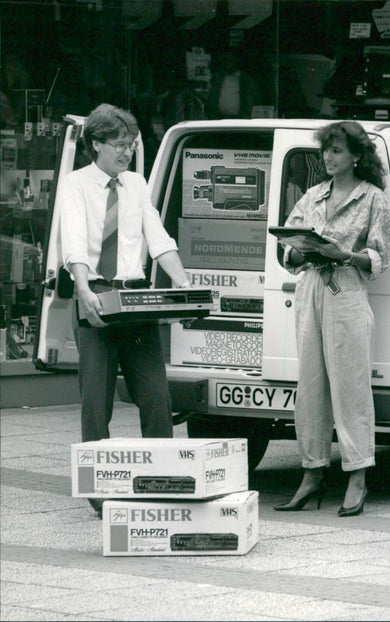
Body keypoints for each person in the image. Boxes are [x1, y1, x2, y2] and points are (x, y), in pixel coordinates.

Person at [57, 103, 191, 515]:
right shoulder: (75, 184)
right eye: (118, 145)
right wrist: (82, 288)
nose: (126, 152)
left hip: (135, 299)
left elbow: (158, 236)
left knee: (155, 395)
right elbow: (74, 241)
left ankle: (162, 478)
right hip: (96, 294)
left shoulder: (135, 184)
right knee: (96, 401)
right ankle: (100, 492)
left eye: (131, 145)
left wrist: (184, 282)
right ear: (95, 144)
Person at [274, 120, 390, 517]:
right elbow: (285, 245)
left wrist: (346, 255)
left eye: (338, 150)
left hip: (346, 290)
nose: (329, 156)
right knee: (309, 385)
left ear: (356, 156)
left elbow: (379, 257)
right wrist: (298, 251)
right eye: (326, 150)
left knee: (350, 386)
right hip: (311, 288)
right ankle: (312, 471)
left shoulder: (373, 199)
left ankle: (358, 474)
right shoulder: (312, 195)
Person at [205, 50, 260, 119]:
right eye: (225, 60)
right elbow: (209, 98)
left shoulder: (247, 81)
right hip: (218, 120)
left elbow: (255, 101)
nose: (227, 63)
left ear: (237, 61)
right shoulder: (216, 78)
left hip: (242, 120)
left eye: (230, 60)